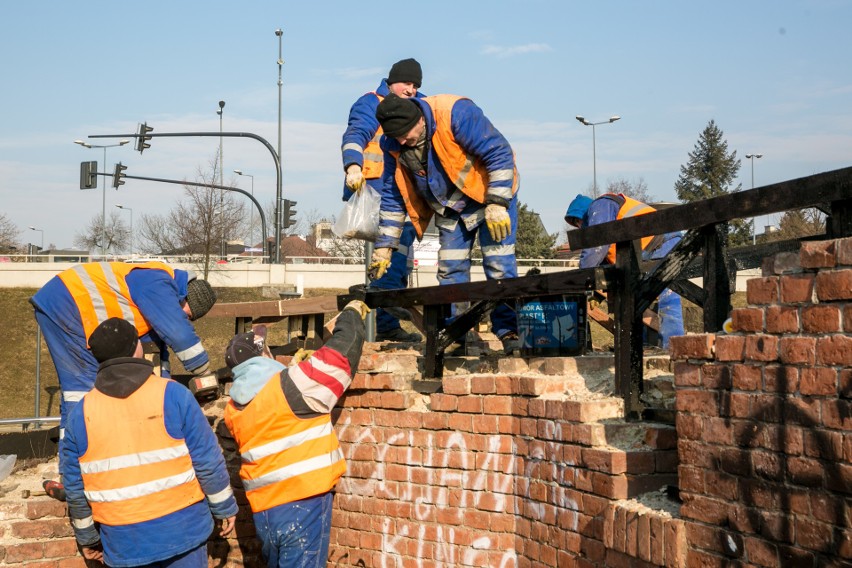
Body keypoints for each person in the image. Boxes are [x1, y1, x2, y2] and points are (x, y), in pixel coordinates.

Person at [61, 317, 237, 567]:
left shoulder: (80, 414)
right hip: (184, 532)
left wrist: (88, 537)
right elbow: (206, 460)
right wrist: (224, 507)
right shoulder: (173, 394)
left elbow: (74, 485)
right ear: (137, 348)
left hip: (124, 543)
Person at [222, 299, 369, 567]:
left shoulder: (233, 409)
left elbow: (274, 409)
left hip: (265, 511)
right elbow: (343, 354)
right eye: (268, 351)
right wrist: (351, 314)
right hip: (302, 504)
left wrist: (291, 372)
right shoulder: (292, 387)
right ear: (263, 358)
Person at [372, 93, 521, 353]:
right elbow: (394, 196)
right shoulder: (393, 145)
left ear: (420, 119)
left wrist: (497, 202)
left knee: (499, 265)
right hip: (451, 207)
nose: (403, 141)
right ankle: (457, 335)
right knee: (450, 272)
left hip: (488, 198)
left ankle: (509, 333)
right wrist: (385, 245)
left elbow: (499, 153)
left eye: (406, 134)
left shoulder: (455, 113)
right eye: (396, 137)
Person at [31, 261, 217, 434]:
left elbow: (156, 349)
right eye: (187, 315)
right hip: (66, 303)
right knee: (83, 387)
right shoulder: (157, 281)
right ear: (184, 298)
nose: (185, 318)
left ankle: (76, 450)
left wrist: (162, 386)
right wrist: (204, 372)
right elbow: (179, 334)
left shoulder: (155, 299)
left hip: (67, 305)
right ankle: (77, 453)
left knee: (88, 387)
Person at [341, 58, 425, 342]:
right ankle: (387, 313)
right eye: (407, 83)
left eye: (415, 85)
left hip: (407, 191)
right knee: (392, 251)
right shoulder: (370, 103)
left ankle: (388, 321)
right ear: (392, 82)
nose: (411, 89)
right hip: (376, 190)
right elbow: (356, 134)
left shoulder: (421, 104)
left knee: (400, 253)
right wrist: (352, 165)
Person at [564, 193, 685, 348]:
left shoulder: (600, 205)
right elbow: (602, 262)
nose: (579, 226)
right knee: (636, 299)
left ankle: (673, 348)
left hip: (662, 242)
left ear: (585, 213)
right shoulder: (607, 220)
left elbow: (595, 249)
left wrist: (581, 280)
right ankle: (642, 346)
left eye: (578, 221)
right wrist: (595, 294)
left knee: (667, 294)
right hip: (648, 249)